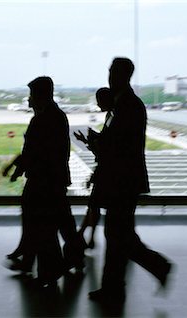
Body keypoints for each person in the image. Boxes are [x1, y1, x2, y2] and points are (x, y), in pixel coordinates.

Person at [88, 58, 172, 304]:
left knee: (117, 235)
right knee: (119, 235)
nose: (109, 77)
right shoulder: (125, 104)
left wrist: (98, 144)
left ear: (121, 75)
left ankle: (155, 267)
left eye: (112, 72)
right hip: (122, 181)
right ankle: (115, 287)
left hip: (121, 181)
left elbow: (119, 146)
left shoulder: (127, 106)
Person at [3, 76, 82, 287]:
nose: (28, 101)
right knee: (59, 221)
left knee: (40, 223)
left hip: (43, 179)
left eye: (31, 96)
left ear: (39, 95)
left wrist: (15, 168)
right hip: (52, 178)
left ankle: (47, 269)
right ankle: (67, 258)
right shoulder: (55, 116)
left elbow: (34, 151)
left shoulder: (44, 119)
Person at [74, 87, 115, 249]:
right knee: (94, 206)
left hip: (106, 171)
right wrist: (89, 140)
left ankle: (83, 235)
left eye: (99, 101)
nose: (97, 105)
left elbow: (106, 148)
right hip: (106, 170)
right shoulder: (111, 116)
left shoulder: (112, 117)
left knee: (93, 205)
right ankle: (85, 236)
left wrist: (90, 141)